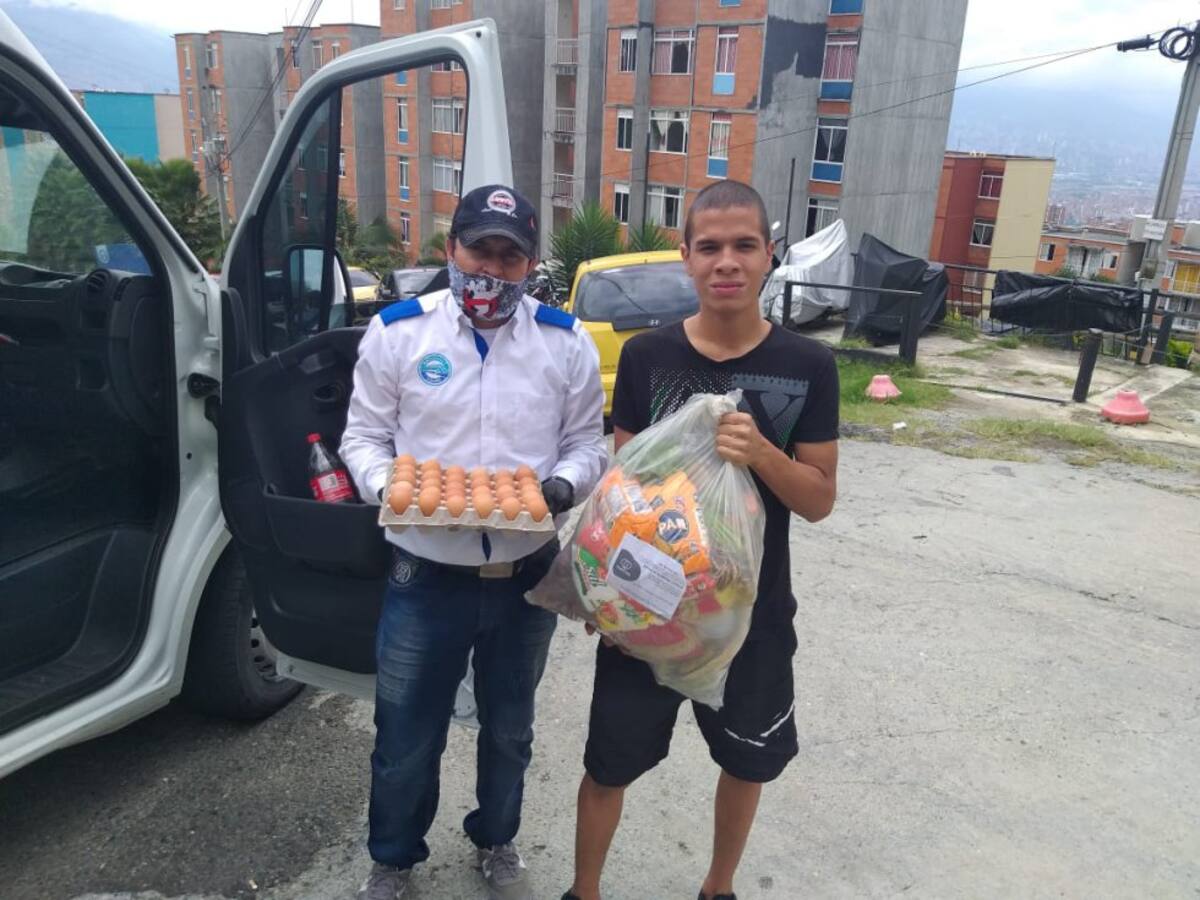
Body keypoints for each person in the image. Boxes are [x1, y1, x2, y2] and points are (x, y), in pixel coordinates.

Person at [563, 180, 840, 900]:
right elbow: (619, 499)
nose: (727, 262)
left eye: (744, 245)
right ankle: (584, 890)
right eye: (709, 246)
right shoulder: (648, 357)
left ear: (769, 254)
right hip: (647, 613)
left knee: (745, 764)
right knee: (608, 765)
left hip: (751, 616)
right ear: (685, 256)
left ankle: (718, 888)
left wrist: (763, 455)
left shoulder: (809, 366)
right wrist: (606, 599)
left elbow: (818, 500)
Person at [340, 184, 607, 900]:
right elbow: (362, 437)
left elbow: (588, 444)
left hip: (527, 574)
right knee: (405, 731)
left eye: (509, 256)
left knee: (510, 726)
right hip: (424, 572)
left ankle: (496, 837)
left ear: (530, 264)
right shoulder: (399, 333)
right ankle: (394, 858)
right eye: (478, 250)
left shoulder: (564, 342)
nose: (491, 268)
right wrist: (391, 488)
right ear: (451, 249)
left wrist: (563, 488)